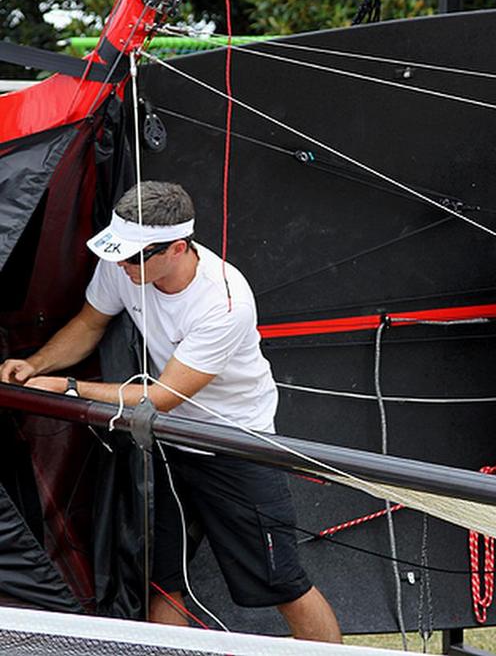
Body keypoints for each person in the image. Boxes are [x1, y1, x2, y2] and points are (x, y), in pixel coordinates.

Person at [0, 182, 342, 642]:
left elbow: (161, 397)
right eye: (117, 253)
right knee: (162, 580)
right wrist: (35, 363)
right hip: (165, 443)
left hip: (235, 445)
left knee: (283, 584)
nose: (122, 264)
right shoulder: (125, 264)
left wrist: (67, 387)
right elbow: (91, 320)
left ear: (178, 248)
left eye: (134, 257)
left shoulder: (224, 303)